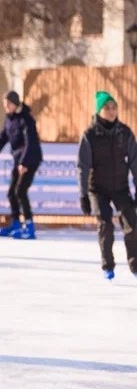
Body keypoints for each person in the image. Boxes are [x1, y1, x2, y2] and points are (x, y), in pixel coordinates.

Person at [77, 91, 137, 281]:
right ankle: (108, 266)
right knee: (106, 225)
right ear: (99, 111)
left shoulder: (125, 133)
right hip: (98, 189)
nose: (112, 111)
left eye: (114, 107)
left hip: (120, 187)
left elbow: (135, 162)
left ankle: (135, 265)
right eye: (107, 108)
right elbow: (83, 167)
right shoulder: (89, 135)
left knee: (131, 224)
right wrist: (84, 195)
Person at [0, 90, 43, 239]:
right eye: (4, 104)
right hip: (18, 160)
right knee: (11, 193)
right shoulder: (9, 118)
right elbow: (2, 138)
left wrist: (24, 162)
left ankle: (29, 225)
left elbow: (31, 142)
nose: (5, 107)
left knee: (20, 191)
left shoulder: (26, 119)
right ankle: (16, 222)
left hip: (30, 159)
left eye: (7, 104)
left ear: (15, 103)